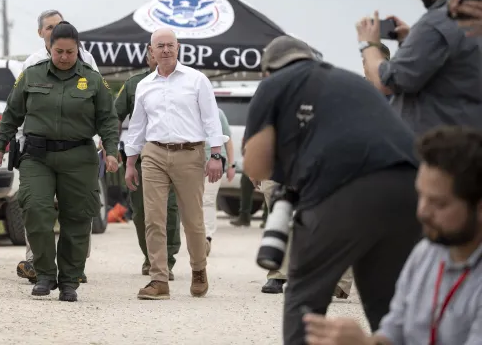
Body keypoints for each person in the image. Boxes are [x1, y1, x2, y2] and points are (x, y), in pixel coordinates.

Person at [243, 36, 421, 344]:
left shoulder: (274, 84)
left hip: (341, 190)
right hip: (409, 188)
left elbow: (256, 167)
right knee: (387, 306)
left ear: (268, 70)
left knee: (305, 299)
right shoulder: (354, 82)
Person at [304, 125, 482, 345]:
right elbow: (394, 331)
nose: (422, 212)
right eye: (421, 196)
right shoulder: (426, 254)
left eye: (439, 203)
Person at [0, 22, 119, 302]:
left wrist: (110, 151)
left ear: (78, 50)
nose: (63, 57)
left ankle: (70, 280)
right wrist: (0, 145)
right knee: (35, 210)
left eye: (70, 52)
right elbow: (12, 113)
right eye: (58, 51)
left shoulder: (93, 80)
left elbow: (108, 120)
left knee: (78, 217)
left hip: (79, 158)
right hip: (38, 157)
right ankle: (45, 274)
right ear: (49, 48)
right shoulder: (31, 75)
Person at [124, 27, 227, 300]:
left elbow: (211, 120)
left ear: (178, 47)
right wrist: (131, 162)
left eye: (170, 45)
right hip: (153, 155)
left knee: (193, 220)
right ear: (151, 51)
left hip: (190, 154)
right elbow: (137, 127)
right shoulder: (144, 86)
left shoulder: (197, 80)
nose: (166, 50)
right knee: (153, 219)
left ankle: (198, 270)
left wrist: (215, 154)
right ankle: (159, 279)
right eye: (160, 46)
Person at [357, 0, 482, 135]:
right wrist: (412, 39)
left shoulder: (436, 24)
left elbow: (386, 82)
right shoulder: (473, 16)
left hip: (438, 157)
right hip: (468, 151)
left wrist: (369, 45)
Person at [16, 9, 99, 284]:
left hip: (77, 150)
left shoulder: (86, 60)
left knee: (76, 208)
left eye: (59, 25)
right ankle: (35, 261)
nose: (54, 30)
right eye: (49, 27)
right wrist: (18, 142)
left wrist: (97, 143)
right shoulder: (31, 64)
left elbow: (98, 105)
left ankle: (76, 264)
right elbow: (18, 105)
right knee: (37, 206)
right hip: (39, 150)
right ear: (41, 33)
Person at [115, 47, 182, 279]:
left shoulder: (186, 80)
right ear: (148, 57)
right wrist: (111, 147)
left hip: (176, 156)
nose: (161, 56)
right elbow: (115, 115)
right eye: (155, 53)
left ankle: (166, 261)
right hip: (143, 159)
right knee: (143, 211)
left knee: (170, 210)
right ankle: (151, 257)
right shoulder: (135, 84)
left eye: (167, 49)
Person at [202, 107, 236, 255]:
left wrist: (231, 165)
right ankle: (198, 235)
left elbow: (228, 140)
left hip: (215, 160)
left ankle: (207, 237)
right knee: (193, 201)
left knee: (208, 199)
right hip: (192, 160)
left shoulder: (218, 112)